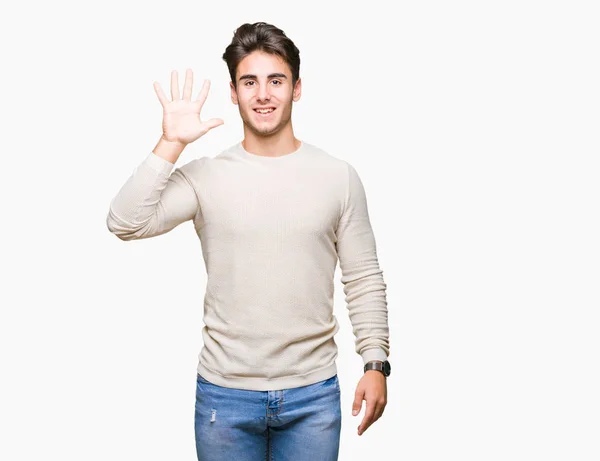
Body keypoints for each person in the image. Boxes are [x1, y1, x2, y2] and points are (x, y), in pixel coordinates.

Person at [106, 21, 391, 461]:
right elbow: (125, 222)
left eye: (276, 80)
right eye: (249, 81)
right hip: (226, 397)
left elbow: (363, 276)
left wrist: (375, 363)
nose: (263, 94)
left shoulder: (338, 176)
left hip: (312, 395)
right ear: (234, 92)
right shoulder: (206, 176)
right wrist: (170, 143)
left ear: (296, 88)